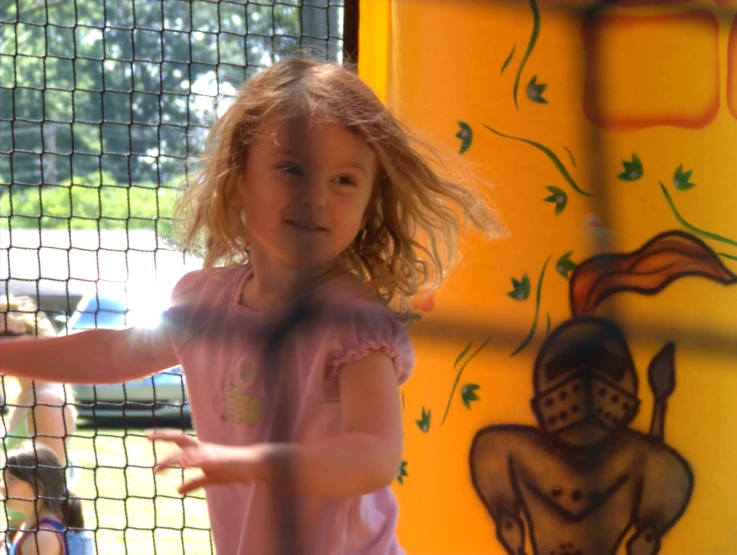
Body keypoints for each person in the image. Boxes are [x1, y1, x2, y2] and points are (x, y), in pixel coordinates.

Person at [0, 57, 504, 554]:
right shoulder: (208, 303)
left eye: (344, 180)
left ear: (370, 199)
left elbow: (373, 457)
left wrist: (256, 460)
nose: (318, 197)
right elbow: (114, 355)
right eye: (292, 169)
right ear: (239, 178)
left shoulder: (352, 322)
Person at [0, 297, 77, 536]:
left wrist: (18, 536)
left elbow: (49, 488)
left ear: (37, 338)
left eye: (8, 335)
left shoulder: (46, 401)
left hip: (39, 535)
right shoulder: (21, 394)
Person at [1, 443, 94, 555]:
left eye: (11, 479)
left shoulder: (43, 537)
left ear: (38, 488)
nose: (2, 485)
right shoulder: (32, 522)